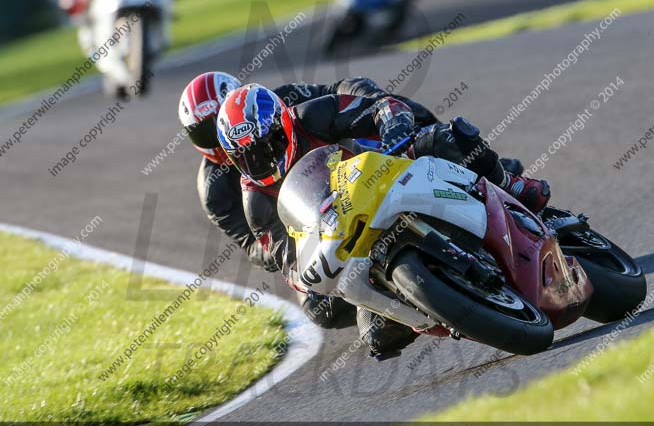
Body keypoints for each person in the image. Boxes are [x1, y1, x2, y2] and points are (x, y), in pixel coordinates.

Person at [216, 84, 550, 356]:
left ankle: (510, 183)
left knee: (447, 137)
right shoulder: (257, 203)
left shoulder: (314, 115)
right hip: (353, 242)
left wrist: (393, 132)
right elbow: (290, 263)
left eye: (270, 144)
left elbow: (384, 107)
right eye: (248, 156)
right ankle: (432, 304)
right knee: (374, 335)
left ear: (283, 124)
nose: (264, 159)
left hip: (387, 173)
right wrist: (313, 271)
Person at [178, 72, 442, 327]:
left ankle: (442, 154)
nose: (222, 135)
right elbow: (251, 243)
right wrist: (279, 250)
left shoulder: (275, 103)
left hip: (351, 164)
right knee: (318, 308)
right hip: (308, 229)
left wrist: (374, 101)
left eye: (220, 120)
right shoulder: (215, 192)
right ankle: (387, 303)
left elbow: (335, 92)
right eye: (205, 131)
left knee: (427, 133)